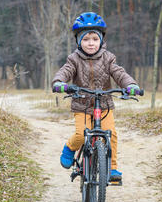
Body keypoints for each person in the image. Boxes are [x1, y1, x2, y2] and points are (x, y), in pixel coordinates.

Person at [52, 11, 141, 181]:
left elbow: (119, 74)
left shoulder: (108, 59)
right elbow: (65, 72)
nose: (90, 43)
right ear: (79, 41)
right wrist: (59, 82)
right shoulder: (74, 59)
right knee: (80, 134)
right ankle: (70, 148)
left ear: (101, 40)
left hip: (104, 105)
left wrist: (130, 85)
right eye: (85, 39)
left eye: (94, 39)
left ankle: (112, 168)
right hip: (82, 105)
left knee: (111, 134)